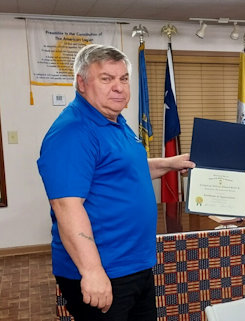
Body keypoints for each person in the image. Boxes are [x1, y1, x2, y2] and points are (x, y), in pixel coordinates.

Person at [37, 44, 195, 321]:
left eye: (123, 79)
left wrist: (170, 163)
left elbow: (124, 169)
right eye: (106, 79)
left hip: (133, 265)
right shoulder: (73, 132)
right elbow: (66, 206)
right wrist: (92, 271)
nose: (119, 87)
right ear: (81, 83)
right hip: (105, 270)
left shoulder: (115, 121)